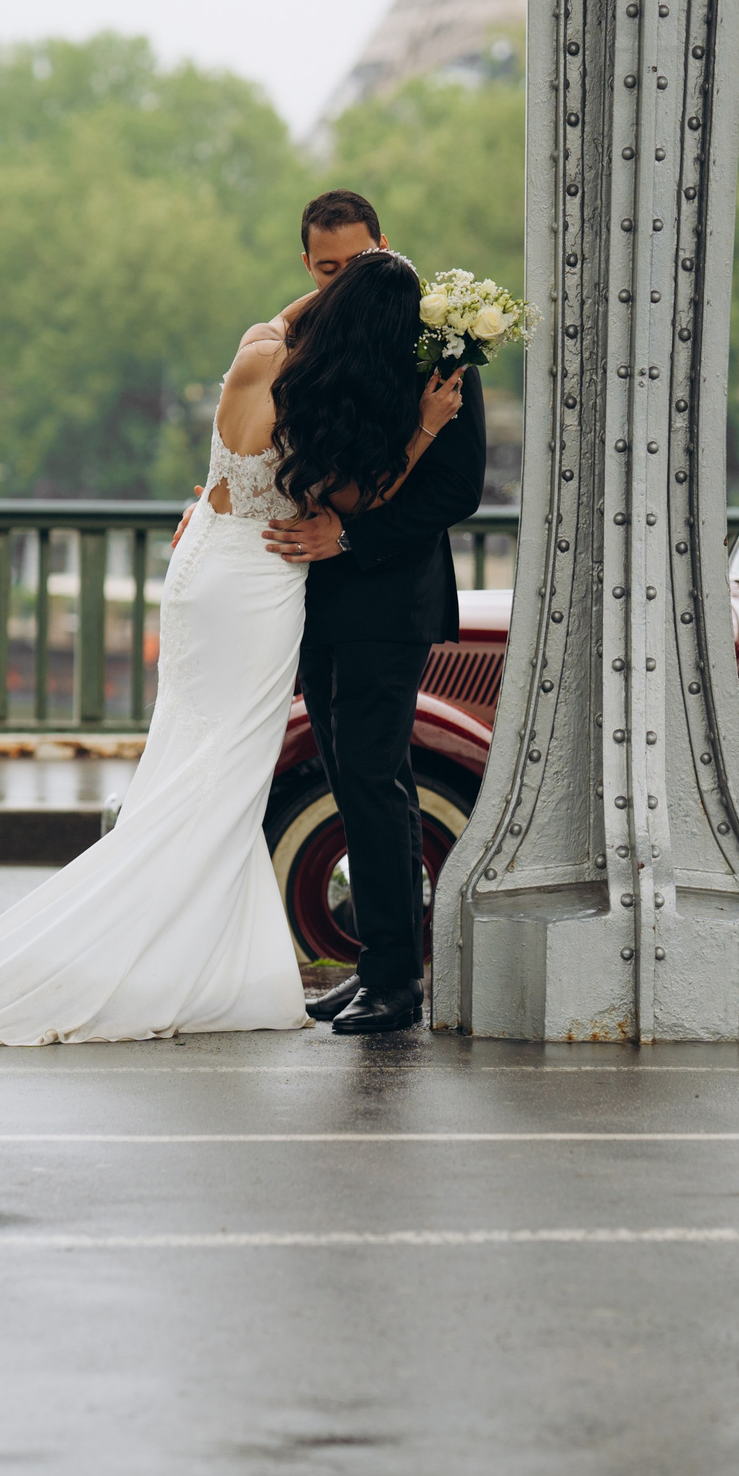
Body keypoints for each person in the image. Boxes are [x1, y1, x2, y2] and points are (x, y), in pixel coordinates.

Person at [0, 246, 463, 1045]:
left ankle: (188, 956)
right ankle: (171, 955)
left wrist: (345, 287)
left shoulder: (258, 351)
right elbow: (360, 498)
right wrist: (424, 429)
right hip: (258, 582)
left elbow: (291, 318)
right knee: (226, 779)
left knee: (184, 752)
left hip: (199, 566)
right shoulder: (329, 406)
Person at [263, 192, 487, 1035]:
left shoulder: (442, 344)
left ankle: (395, 980)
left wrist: (349, 536)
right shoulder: (315, 335)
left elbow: (457, 489)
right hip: (316, 594)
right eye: (324, 270)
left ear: (385, 250)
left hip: (390, 594)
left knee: (374, 779)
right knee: (347, 776)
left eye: (355, 265)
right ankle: (375, 970)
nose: (340, 282)